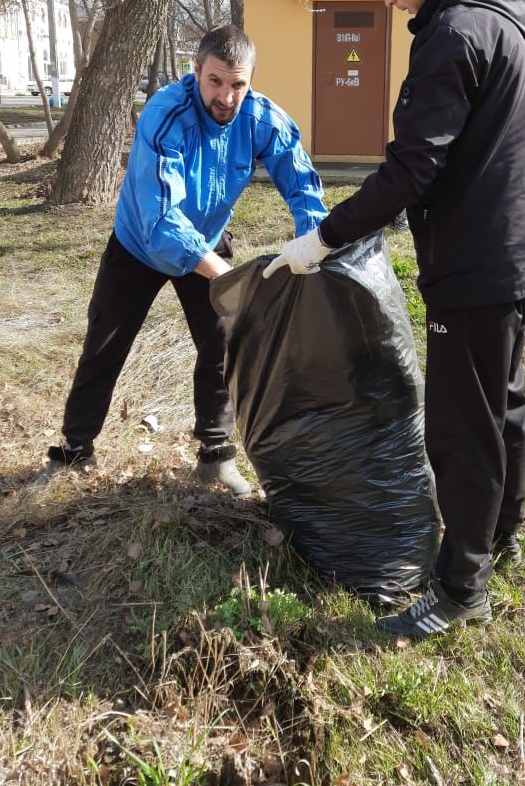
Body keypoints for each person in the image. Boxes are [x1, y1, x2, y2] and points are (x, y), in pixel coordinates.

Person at [264, 0, 525, 636]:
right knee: (503, 408)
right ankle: (494, 540)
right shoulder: (501, 16)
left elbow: (413, 167)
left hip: (476, 262)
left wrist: (322, 238)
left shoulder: (453, 34)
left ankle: (460, 589)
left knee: (462, 430)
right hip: (519, 250)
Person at [48, 24, 327, 495]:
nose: (227, 96)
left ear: (250, 81)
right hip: (140, 244)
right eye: (215, 80)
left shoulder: (261, 118)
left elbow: (301, 180)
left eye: (238, 84)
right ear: (194, 71)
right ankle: (75, 451)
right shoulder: (165, 115)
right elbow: (161, 220)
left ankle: (215, 456)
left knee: (222, 346)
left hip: (208, 236)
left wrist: (312, 242)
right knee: (105, 345)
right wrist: (227, 278)